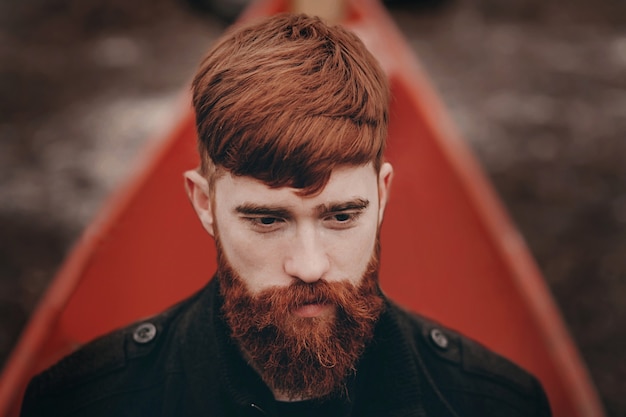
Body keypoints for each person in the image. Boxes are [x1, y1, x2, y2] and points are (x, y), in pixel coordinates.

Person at [21, 13, 551, 417]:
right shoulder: (77, 402)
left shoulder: (499, 402)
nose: (309, 265)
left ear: (383, 194)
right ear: (205, 204)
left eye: (341, 216)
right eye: (267, 220)